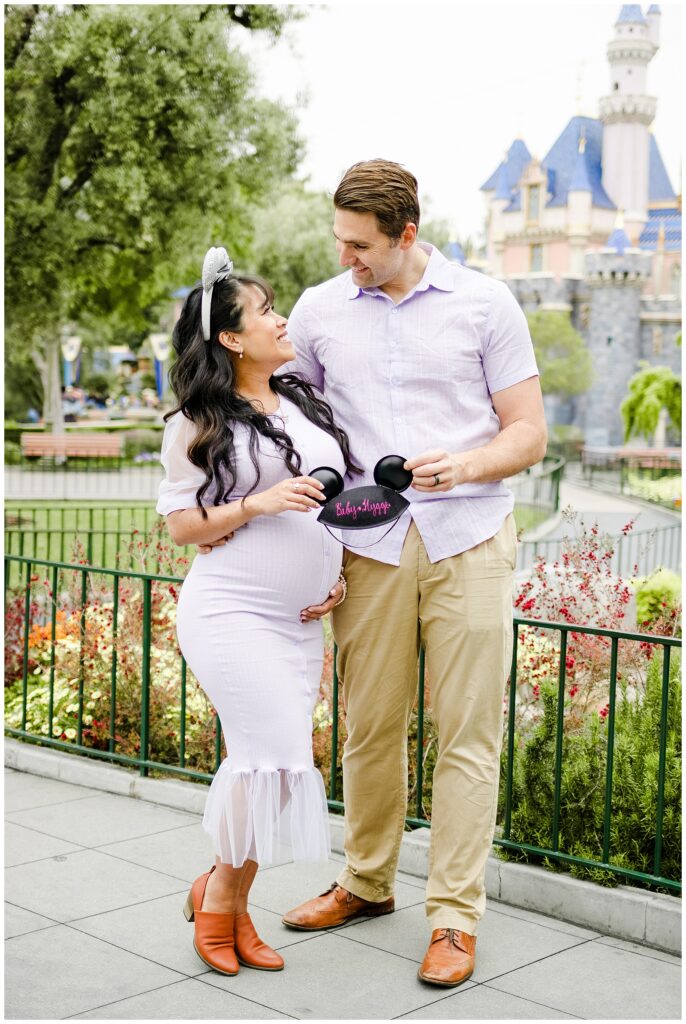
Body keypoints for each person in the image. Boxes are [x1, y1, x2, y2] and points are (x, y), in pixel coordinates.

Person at [277, 159, 548, 987]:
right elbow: (295, 430)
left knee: (467, 735)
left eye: (363, 245)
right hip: (367, 544)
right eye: (340, 242)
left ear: (407, 233)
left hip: (469, 535)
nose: (348, 257)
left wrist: (464, 466)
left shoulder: (485, 303)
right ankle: (365, 882)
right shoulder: (320, 310)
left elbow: (528, 433)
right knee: (368, 727)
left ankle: (455, 918)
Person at [156, 247, 359, 977]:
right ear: (232, 338)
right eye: (266, 310)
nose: (282, 318)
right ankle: (217, 906)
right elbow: (182, 525)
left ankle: (229, 903)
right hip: (233, 613)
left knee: (272, 769)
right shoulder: (197, 421)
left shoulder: (300, 402)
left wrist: (331, 572)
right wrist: (259, 501)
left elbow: (326, 506)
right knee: (273, 759)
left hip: (300, 621)